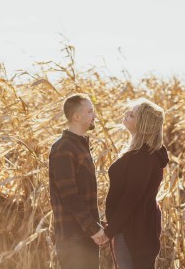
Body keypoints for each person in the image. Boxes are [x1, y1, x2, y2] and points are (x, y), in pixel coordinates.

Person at [96, 98, 169, 269]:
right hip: (132, 227)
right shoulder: (140, 153)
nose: (126, 115)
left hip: (134, 230)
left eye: (132, 115)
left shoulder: (143, 156)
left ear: (144, 123)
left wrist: (109, 231)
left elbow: (131, 198)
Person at [48, 93, 106, 269]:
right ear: (76, 116)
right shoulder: (64, 148)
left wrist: (95, 228)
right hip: (73, 238)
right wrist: (94, 229)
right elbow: (69, 196)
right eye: (90, 111)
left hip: (84, 236)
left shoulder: (79, 146)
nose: (94, 115)